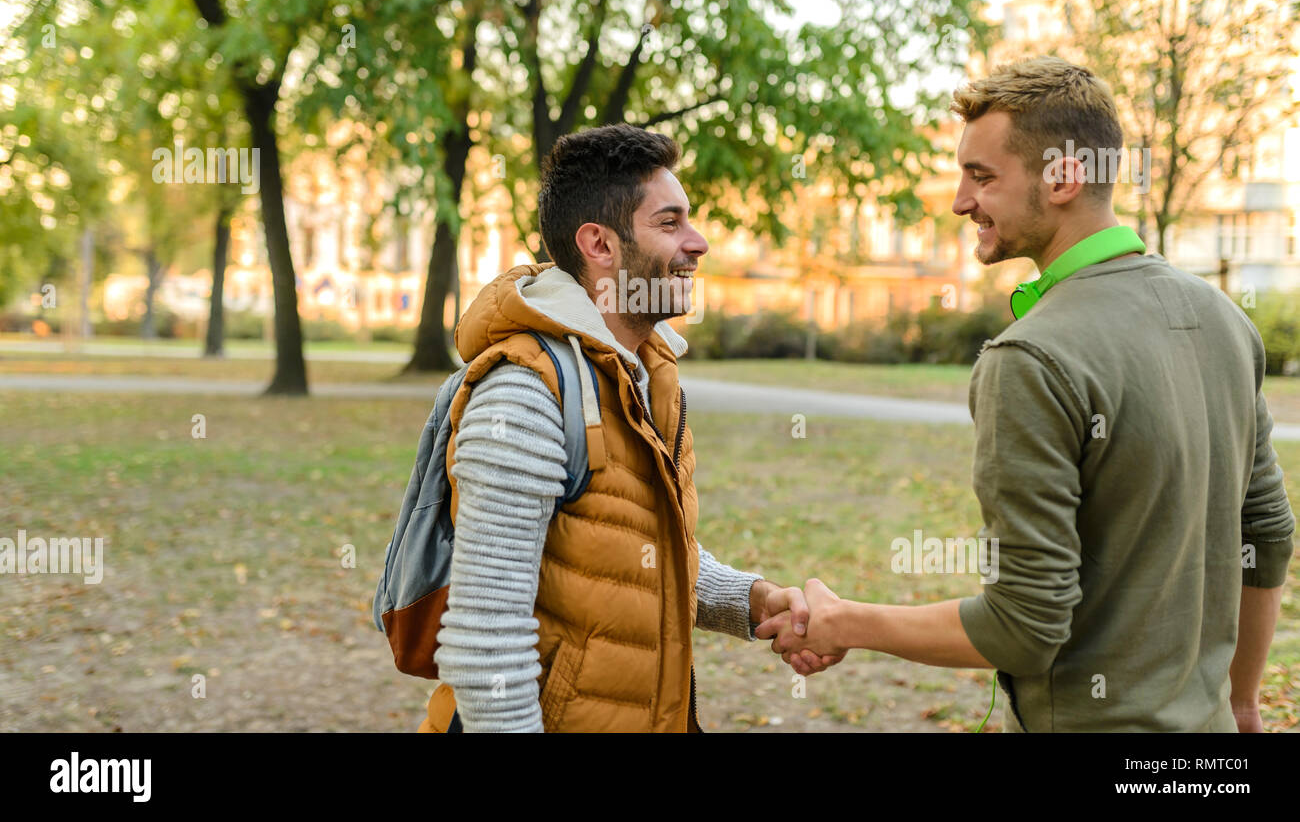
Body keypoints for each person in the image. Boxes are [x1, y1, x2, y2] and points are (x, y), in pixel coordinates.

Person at [760, 56, 1294, 732]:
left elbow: (1024, 623)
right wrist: (1242, 701)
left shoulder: (1030, 358)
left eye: (981, 176)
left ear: (1064, 177)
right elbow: (1268, 536)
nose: (959, 200)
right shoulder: (1224, 318)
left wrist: (846, 621)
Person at [422, 123, 839, 732]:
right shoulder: (525, 395)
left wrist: (751, 602)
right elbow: (485, 640)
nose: (696, 243)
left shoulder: (646, 373)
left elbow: (631, 556)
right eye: (669, 223)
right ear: (600, 244)